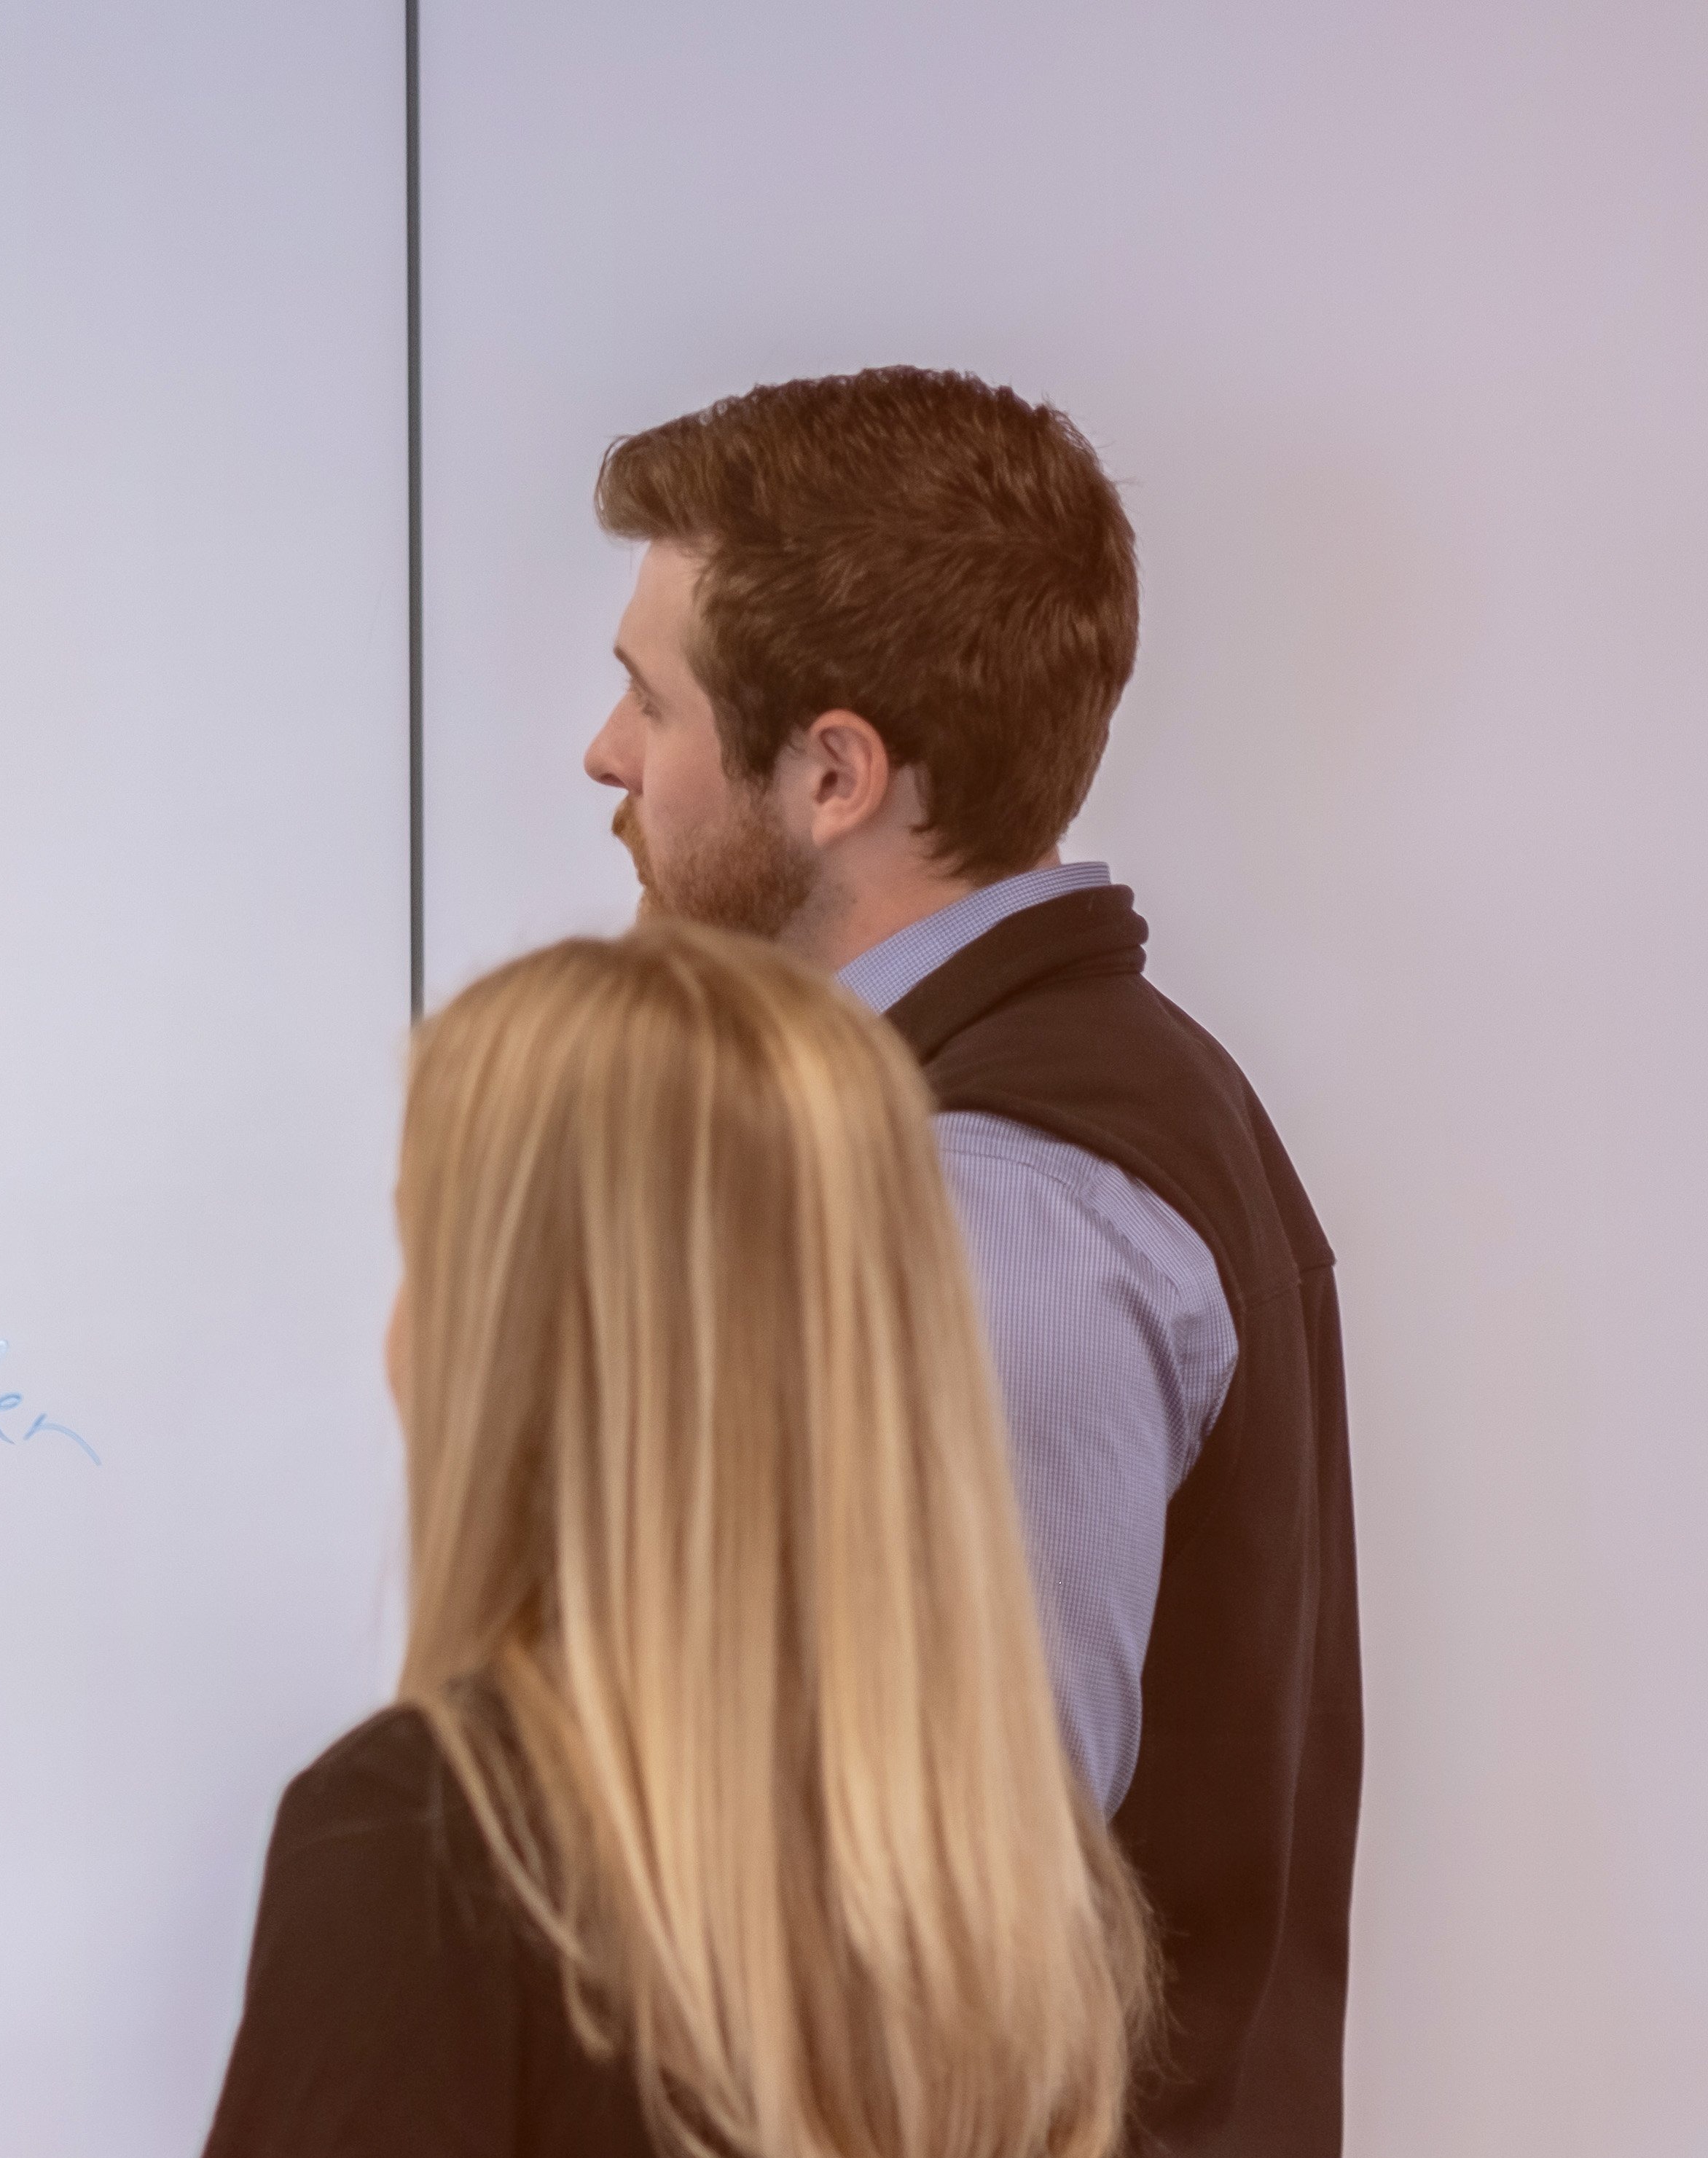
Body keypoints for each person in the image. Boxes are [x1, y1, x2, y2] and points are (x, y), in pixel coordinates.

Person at [577, 367, 1352, 2154]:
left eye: (649, 696)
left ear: (834, 773)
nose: (606, 751)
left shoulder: (982, 1206)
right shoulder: (1093, 1115)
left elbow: (944, 1997)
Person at [206, 924, 1156, 2158]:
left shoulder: (433, 1847)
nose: (397, 1335)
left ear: (523, 1337)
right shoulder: (1006, 1887)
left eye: (425, 1256)